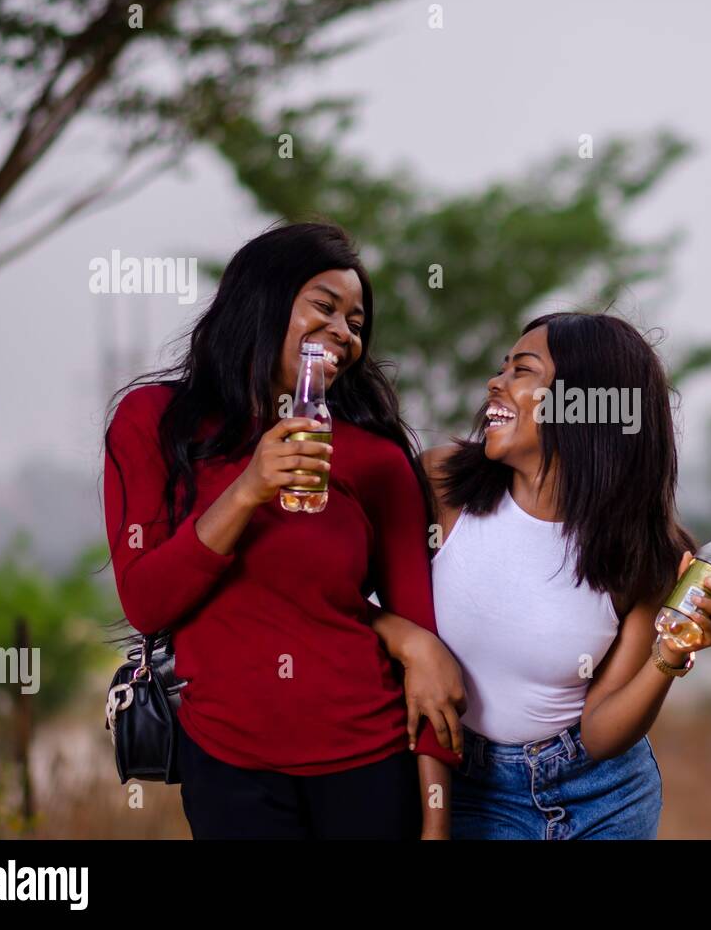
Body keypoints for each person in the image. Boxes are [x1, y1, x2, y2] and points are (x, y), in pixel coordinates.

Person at [102, 222, 463, 839]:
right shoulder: (154, 422)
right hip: (227, 766)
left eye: (355, 322)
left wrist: (435, 824)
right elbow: (146, 601)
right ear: (263, 300)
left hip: (371, 764)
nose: (344, 332)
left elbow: (427, 662)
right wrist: (249, 488)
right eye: (324, 305)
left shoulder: (375, 458)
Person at [370, 312, 711, 839]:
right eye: (503, 367)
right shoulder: (440, 487)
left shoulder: (647, 553)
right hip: (468, 783)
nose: (495, 382)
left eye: (522, 370)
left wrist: (672, 652)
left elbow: (600, 732)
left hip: (604, 796)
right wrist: (412, 644)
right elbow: (333, 600)